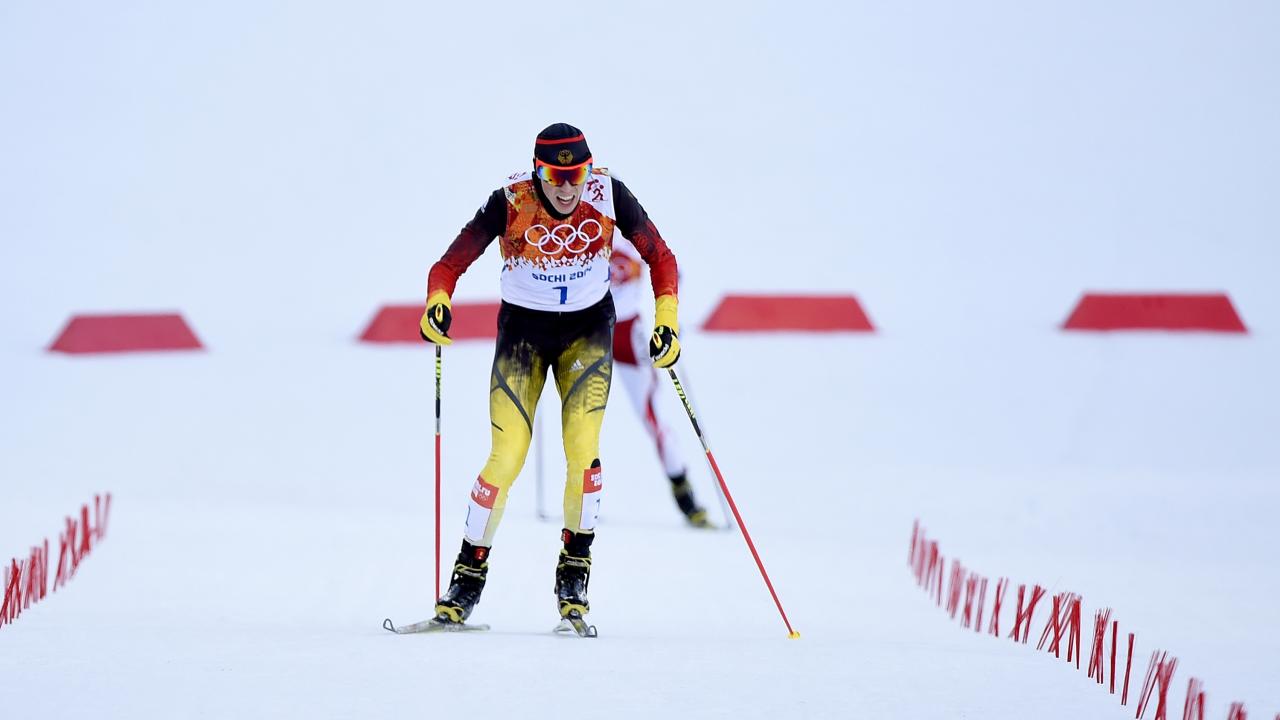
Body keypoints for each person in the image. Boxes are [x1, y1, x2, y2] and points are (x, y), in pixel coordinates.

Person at [419, 123, 682, 628]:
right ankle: (466, 579)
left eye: (576, 175)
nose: (566, 188)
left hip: (587, 332)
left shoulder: (609, 193)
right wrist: (437, 301)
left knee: (583, 450)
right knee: (506, 455)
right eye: (555, 176)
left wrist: (666, 320)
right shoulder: (511, 200)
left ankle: (573, 576)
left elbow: (660, 257)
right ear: (538, 171)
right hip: (523, 334)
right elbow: (448, 265)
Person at [609, 236, 712, 528]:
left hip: (627, 335)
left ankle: (684, 493)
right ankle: (579, 499)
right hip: (588, 329)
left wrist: (669, 322)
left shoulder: (631, 233)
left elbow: (671, 271)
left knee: (651, 417)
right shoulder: (584, 229)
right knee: (579, 414)